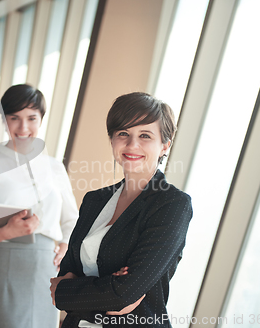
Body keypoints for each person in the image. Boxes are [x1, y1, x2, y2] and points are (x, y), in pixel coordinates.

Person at [50, 92, 193, 328]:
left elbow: (123, 294)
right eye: (123, 133)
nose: (131, 144)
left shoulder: (172, 204)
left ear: (164, 145)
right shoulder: (94, 200)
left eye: (145, 135)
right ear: (112, 139)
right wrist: (108, 294)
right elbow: (66, 273)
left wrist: (71, 292)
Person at [0, 84, 79, 328]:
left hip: (47, 274)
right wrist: (5, 232)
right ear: (4, 120)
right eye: (15, 118)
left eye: (32, 118)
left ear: (41, 119)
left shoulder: (55, 168)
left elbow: (71, 219)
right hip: (2, 269)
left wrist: (65, 245)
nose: (23, 128)